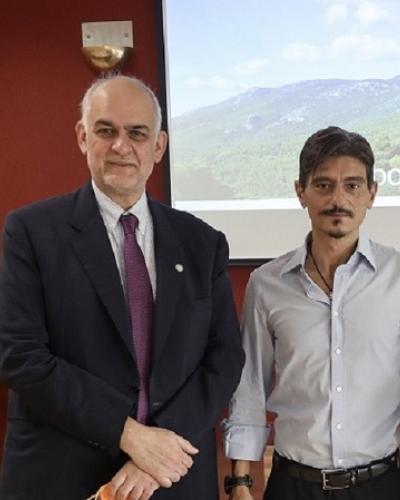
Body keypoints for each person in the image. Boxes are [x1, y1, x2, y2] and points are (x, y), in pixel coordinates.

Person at [0, 75, 245, 500]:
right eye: (105, 131)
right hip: (63, 477)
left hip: (173, 477)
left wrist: (159, 451)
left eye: (137, 133)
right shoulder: (30, 232)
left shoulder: (202, 243)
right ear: (83, 137)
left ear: (159, 146)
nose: (121, 146)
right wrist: (130, 436)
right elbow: (19, 355)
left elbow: (224, 358)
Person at [223, 126, 400, 500]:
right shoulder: (266, 284)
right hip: (293, 487)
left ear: (372, 193)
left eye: (352, 185)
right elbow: (249, 386)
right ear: (300, 192)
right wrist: (240, 482)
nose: (338, 199)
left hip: (381, 486)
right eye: (323, 185)